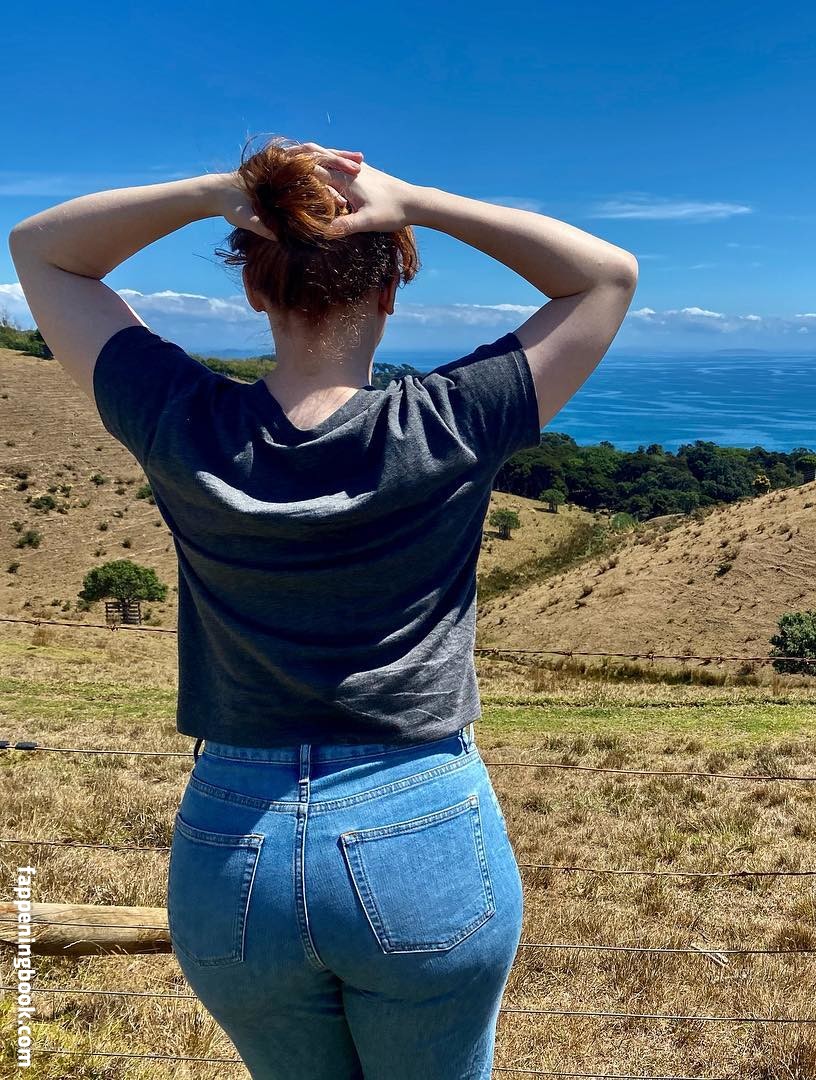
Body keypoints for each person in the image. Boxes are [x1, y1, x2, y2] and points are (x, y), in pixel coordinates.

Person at [7, 136, 639, 1078]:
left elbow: (41, 250)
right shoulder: (448, 423)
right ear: (389, 294)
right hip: (419, 818)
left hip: (233, 841)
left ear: (253, 290)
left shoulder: (182, 420)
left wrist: (221, 191)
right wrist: (415, 200)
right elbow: (605, 276)